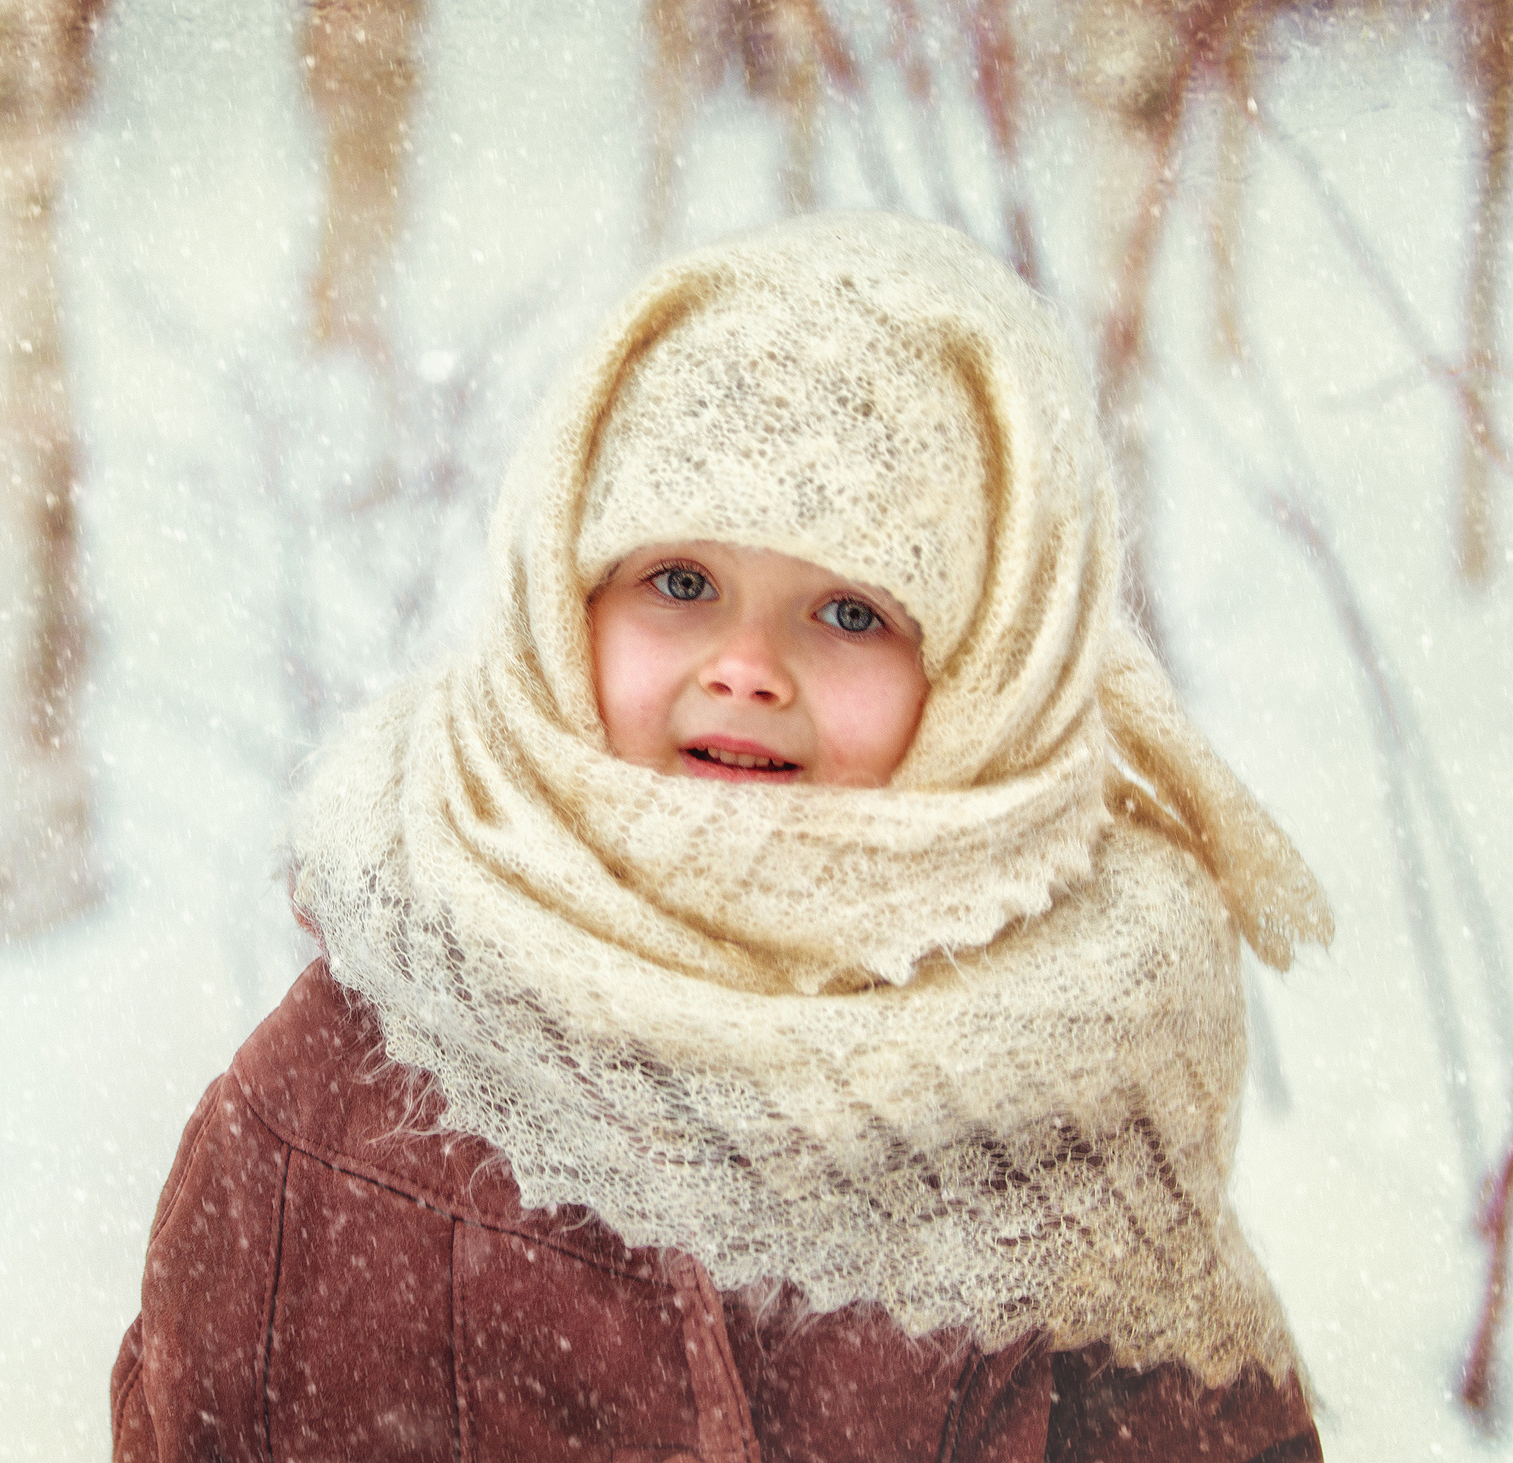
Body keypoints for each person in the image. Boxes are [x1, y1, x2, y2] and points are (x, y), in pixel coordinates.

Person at [111, 211, 1334, 1463]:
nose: (746, 667)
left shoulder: (1079, 1064)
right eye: (680, 583)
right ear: (561, 597)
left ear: (987, 667)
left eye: (850, 609)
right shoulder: (349, 1080)